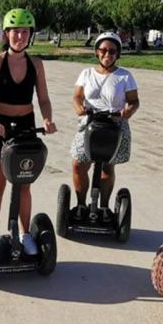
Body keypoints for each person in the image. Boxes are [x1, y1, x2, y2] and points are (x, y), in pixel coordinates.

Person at [0, 8, 56, 258]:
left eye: (25, 32)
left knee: (24, 185)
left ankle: (25, 234)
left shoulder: (36, 64)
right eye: (15, 32)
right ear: (6, 34)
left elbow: (43, 98)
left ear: (30, 35)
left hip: (26, 126)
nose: (20, 37)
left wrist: (47, 118)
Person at [70, 32, 139, 220]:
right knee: (78, 164)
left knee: (107, 168)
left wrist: (127, 112)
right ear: (96, 52)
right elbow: (77, 96)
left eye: (112, 51)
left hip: (114, 124)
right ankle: (81, 205)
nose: (107, 54)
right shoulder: (86, 73)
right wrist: (79, 107)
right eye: (103, 50)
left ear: (118, 54)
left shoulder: (125, 76)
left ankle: (105, 207)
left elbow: (134, 101)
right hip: (90, 122)